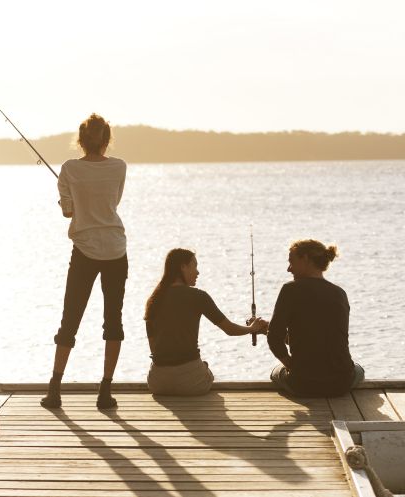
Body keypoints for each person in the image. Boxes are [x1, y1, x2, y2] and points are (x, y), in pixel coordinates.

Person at [41, 114, 128, 410]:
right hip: (116, 249)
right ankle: (105, 392)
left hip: (85, 250)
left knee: (70, 319)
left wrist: (72, 200)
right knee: (113, 320)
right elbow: (112, 203)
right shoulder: (119, 167)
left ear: (80, 140)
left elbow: (68, 212)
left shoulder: (69, 169)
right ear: (107, 140)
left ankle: (54, 390)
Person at [144, 248, 268, 395]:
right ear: (183, 267)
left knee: (199, 367)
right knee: (206, 370)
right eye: (194, 266)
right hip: (191, 383)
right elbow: (229, 329)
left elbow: (153, 348)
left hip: (158, 383)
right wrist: (252, 328)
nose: (198, 272)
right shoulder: (199, 297)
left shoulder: (153, 300)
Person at [267, 239, 364, 397]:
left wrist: (290, 365)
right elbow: (324, 338)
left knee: (275, 372)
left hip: (303, 385)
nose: (288, 269)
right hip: (341, 383)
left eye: (291, 262)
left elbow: (274, 338)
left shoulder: (289, 290)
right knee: (359, 369)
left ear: (305, 259)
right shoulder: (339, 293)